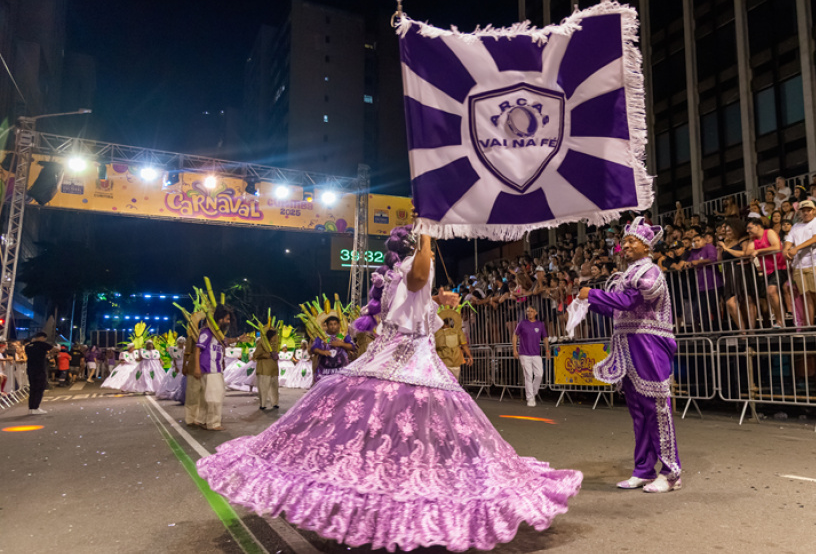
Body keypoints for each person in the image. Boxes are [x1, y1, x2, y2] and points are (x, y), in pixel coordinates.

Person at [196, 227, 582, 551]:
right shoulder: (412, 268)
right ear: (414, 250)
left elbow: (418, 301)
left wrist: (438, 298)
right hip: (405, 362)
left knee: (398, 437)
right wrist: (429, 234)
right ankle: (397, 507)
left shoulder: (396, 274)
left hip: (408, 359)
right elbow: (418, 281)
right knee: (406, 436)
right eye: (420, 246)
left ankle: (390, 507)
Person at [575, 217, 681, 493]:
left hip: (649, 342)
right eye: (625, 241)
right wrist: (588, 302)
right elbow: (618, 309)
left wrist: (594, 294)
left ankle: (671, 473)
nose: (626, 244)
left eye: (632, 240)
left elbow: (630, 301)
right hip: (628, 343)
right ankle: (644, 469)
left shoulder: (651, 272)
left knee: (657, 408)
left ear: (646, 246)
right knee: (638, 410)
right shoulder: (626, 275)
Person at [784, 200, 816, 328]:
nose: (806, 213)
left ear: (814, 210)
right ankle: (811, 326)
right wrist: (786, 250)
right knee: (807, 295)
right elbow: (788, 240)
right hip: (799, 264)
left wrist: (796, 248)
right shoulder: (796, 226)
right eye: (803, 210)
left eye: (808, 210)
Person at [190, 305, 234, 431]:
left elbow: (227, 341)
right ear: (220, 319)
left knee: (206, 397)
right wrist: (197, 368)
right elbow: (198, 348)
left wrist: (239, 339)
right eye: (227, 319)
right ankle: (213, 423)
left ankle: (201, 420)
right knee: (216, 396)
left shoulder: (218, 335)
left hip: (216, 369)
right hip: (209, 369)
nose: (228, 322)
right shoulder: (207, 331)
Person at [512, 305, 549, 407]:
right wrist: (514, 349)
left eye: (531, 311)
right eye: (528, 311)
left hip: (536, 353)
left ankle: (533, 391)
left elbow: (545, 337)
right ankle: (530, 398)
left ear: (536, 313)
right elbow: (515, 335)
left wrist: (547, 350)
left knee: (539, 375)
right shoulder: (522, 323)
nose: (529, 313)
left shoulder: (540, 324)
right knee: (528, 375)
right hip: (524, 353)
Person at [310, 316, 354, 382]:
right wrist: (321, 351)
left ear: (338, 325)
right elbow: (313, 348)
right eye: (331, 324)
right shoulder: (322, 336)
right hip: (324, 371)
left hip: (341, 370)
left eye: (335, 324)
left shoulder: (341, 335)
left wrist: (341, 344)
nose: (333, 326)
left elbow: (352, 346)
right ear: (327, 325)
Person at [434, 312, 472, 381]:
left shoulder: (436, 334)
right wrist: (470, 356)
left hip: (443, 363)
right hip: (456, 363)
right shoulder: (457, 332)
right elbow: (464, 345)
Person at [25, 332, 55, 415]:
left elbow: (37, 356)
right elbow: (54, 349)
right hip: (40, 369)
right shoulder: (42, 345)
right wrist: (51, 354)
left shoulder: (28, 346)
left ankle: (31, 408)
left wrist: (45, 355)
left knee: (33, 389)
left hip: (30, 369)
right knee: (40, 388)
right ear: (42, 337)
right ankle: (36, 407)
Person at [253, 329, 280, 410]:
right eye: (275, 335)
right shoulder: (262, 344)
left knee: (275, 387)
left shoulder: (275, 344)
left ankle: (275, 403)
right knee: (263, 388)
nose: (276, 337)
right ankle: (263, 404)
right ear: (271, 336)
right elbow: (255, 355)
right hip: (264, 369)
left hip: (274, 369)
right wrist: (266, 355)